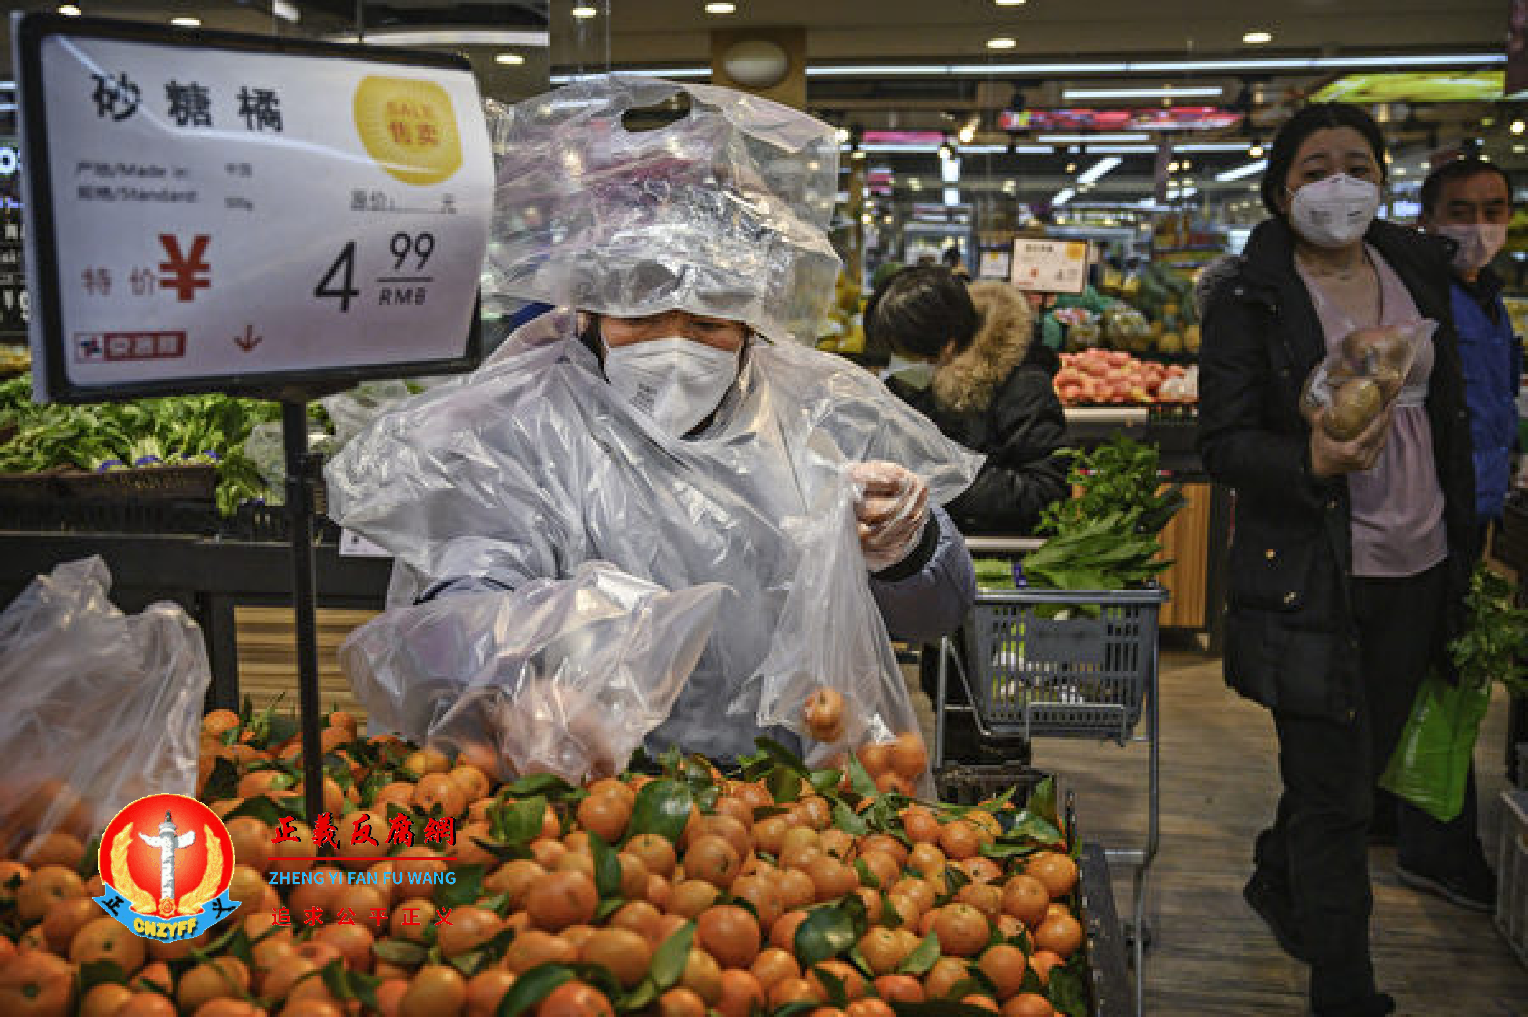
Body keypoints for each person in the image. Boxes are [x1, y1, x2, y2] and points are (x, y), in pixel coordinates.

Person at [325, 76, 982, 771]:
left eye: (706, 322)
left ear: (751, 322)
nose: (675, 344)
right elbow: (462, 590)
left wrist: (907, 550)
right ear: (586, 309)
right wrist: (505, 685)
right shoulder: (521, 425)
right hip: (585, 801)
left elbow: (941, 612)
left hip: (780, 809)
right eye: (641, 315)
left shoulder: (811, 410)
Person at [1197, 103, 1477, 1017]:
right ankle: (1345, 989)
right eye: (1315, 167)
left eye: (1357, 163)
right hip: (1313, 571)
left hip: (1420, 557)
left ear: (1383, 180)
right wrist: (1309, 460)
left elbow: (1452, 413)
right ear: (1283, 190)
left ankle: (1278, 875)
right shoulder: (1249, 295)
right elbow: (1225, 443)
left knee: (1357, 771)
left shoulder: (1417, 269)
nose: (1338, 182)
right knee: (1337, 799)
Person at [1376, 156, 1518, 911]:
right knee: (1444, 679)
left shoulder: (1487, 300)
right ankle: (1436, 845)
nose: (1478, 225)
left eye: (1493, 208)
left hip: (1477, 512)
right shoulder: (1421, 304)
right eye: (1460, 209)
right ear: (1427, 218)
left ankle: (1396, 817)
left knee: (1435, 676)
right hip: (1435, 517)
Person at [866, 266, 1069, 536]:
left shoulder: (1022, 385)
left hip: (997, 548)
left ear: (946, 346)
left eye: (901, 353)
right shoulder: (912, 381)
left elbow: (1047, 490)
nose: (894, 364)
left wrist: (944, 479)